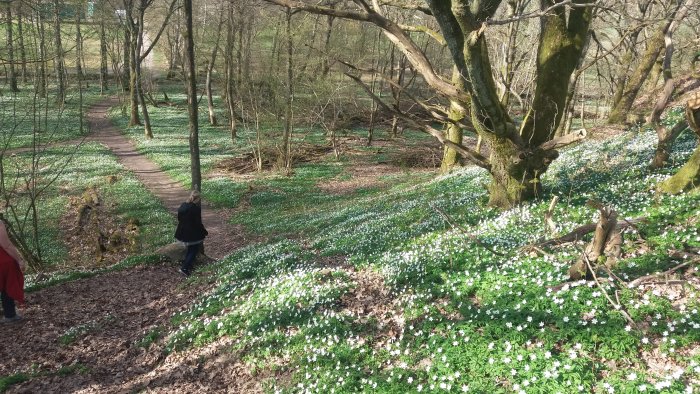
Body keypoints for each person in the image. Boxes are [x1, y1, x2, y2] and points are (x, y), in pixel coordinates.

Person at [174, 190, 208, 277]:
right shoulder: (196, 209)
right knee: (193, 250)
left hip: (182, 232)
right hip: (191, 234)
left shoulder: (183, 205)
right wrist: (204, 231)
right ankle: (184, 268)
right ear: (197, 199)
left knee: (190, 249)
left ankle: (188, 265)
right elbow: (198, 223)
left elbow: (179, 218)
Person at [0, 219, 26, 323]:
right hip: (3, 261)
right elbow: (6, 245)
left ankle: (9, 314)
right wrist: (19, 260)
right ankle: (10, 315)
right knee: (7, 286)